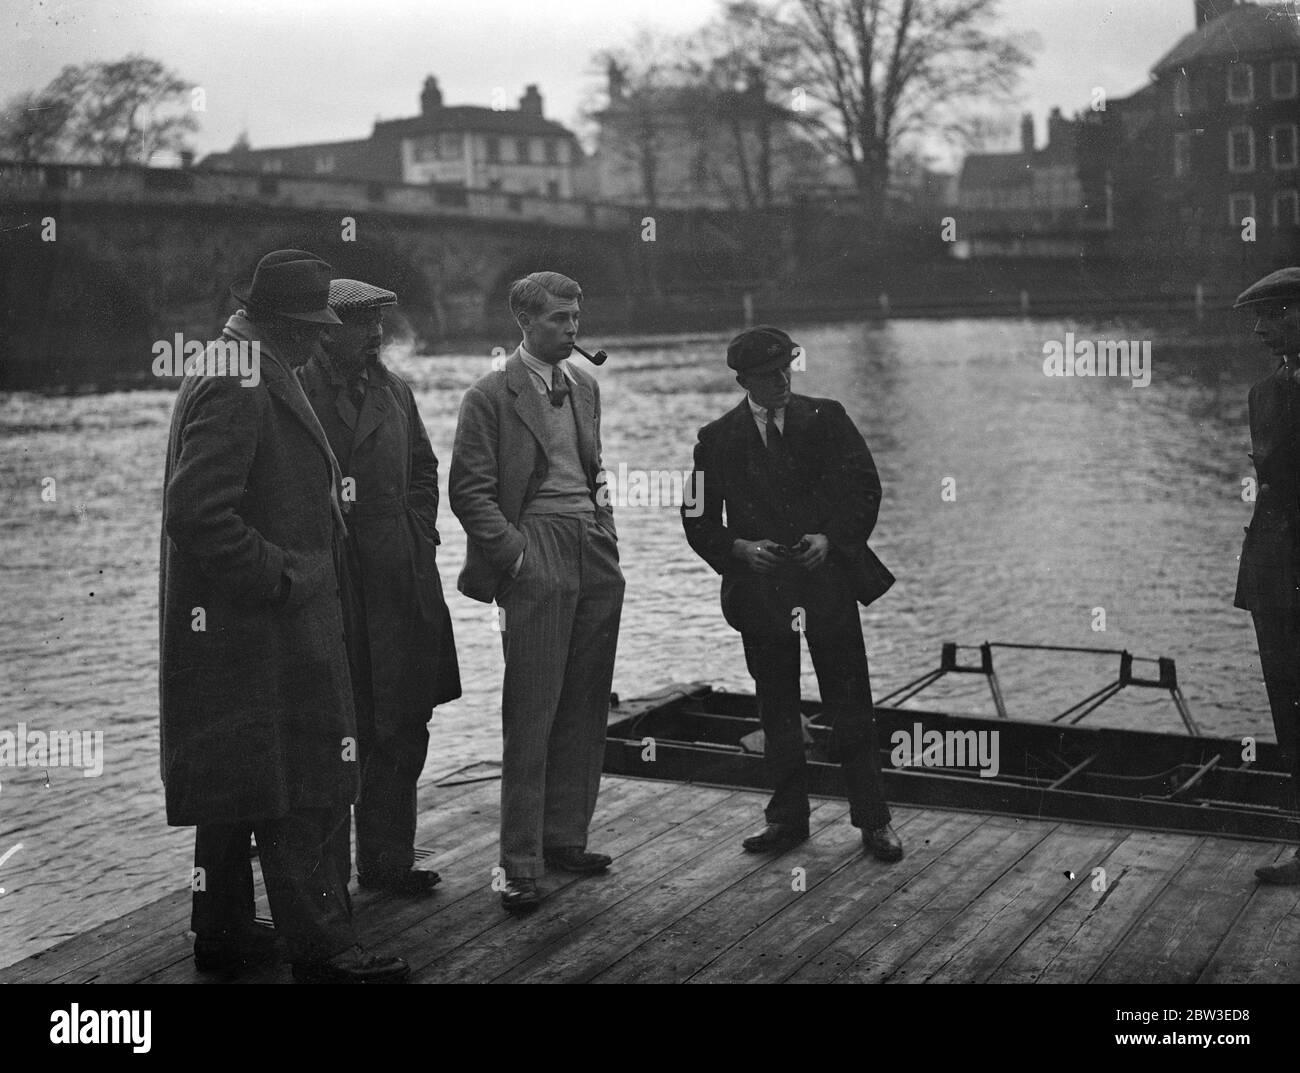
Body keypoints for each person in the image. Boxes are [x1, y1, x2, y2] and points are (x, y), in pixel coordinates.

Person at [160, 249, 409, 983]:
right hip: (264, 628)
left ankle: (225, 928)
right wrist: (286, 578)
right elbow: (198, 514)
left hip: (230, 636)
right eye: (306, 326)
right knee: (307, 785)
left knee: (238, 776)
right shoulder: (242, 380)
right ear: (276, 321)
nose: (314, 338)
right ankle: (326, 949)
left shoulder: (232, 360)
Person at [682, 326, 903, 861]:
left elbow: (865, 489)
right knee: (776, 709)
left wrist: (832, 538)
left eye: (787, 369)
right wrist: (739, 549)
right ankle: (787, 821)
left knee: (851, 704)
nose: (782, 381)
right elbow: (697, 519)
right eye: (769, 374)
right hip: (761, 593)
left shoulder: (828, 417)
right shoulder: (716, 439)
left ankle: (874, 823)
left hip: (827, 585)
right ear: (744, 380)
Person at [449, 271, 624, 912]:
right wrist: (517, 556)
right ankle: (519, 864)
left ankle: (564, 840)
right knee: (532, 711)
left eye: (576, 317)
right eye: (558, 319)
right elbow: (468, 491)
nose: (572, 329)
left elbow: (595, 469)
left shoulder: (586, 386)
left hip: (593, 552)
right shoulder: (489, 395)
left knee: (585, 703)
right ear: (525, 322)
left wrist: (606, 532)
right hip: (536, 553)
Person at [298, 278, 462, 897]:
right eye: (363, 324)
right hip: (337, 588)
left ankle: (389, 862)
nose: (377, 335)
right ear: (327, 327)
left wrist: (417, 532)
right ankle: (327, 883)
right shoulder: (296, 391)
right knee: (339, 729)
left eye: (380, 324)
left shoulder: (396, 391)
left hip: (403, 581)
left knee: (405, 721)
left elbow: (424, 468)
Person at [1233, 267, 1300, 885]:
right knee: (1289, 705)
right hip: (1275, 576)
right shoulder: (1265, 393)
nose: (1259, 328)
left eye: (1274, 313)